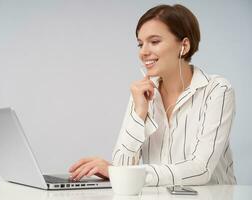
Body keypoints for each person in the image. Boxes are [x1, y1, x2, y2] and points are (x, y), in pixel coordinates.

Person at [68, 4, 236, 186]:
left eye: (154, 42)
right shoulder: (142, 93)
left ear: (184, 46)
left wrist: (122, 173)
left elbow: (200, 170)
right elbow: (121, 168)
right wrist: (139, 113)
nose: (143, 52)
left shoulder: (217, 90)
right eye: (140, 44)